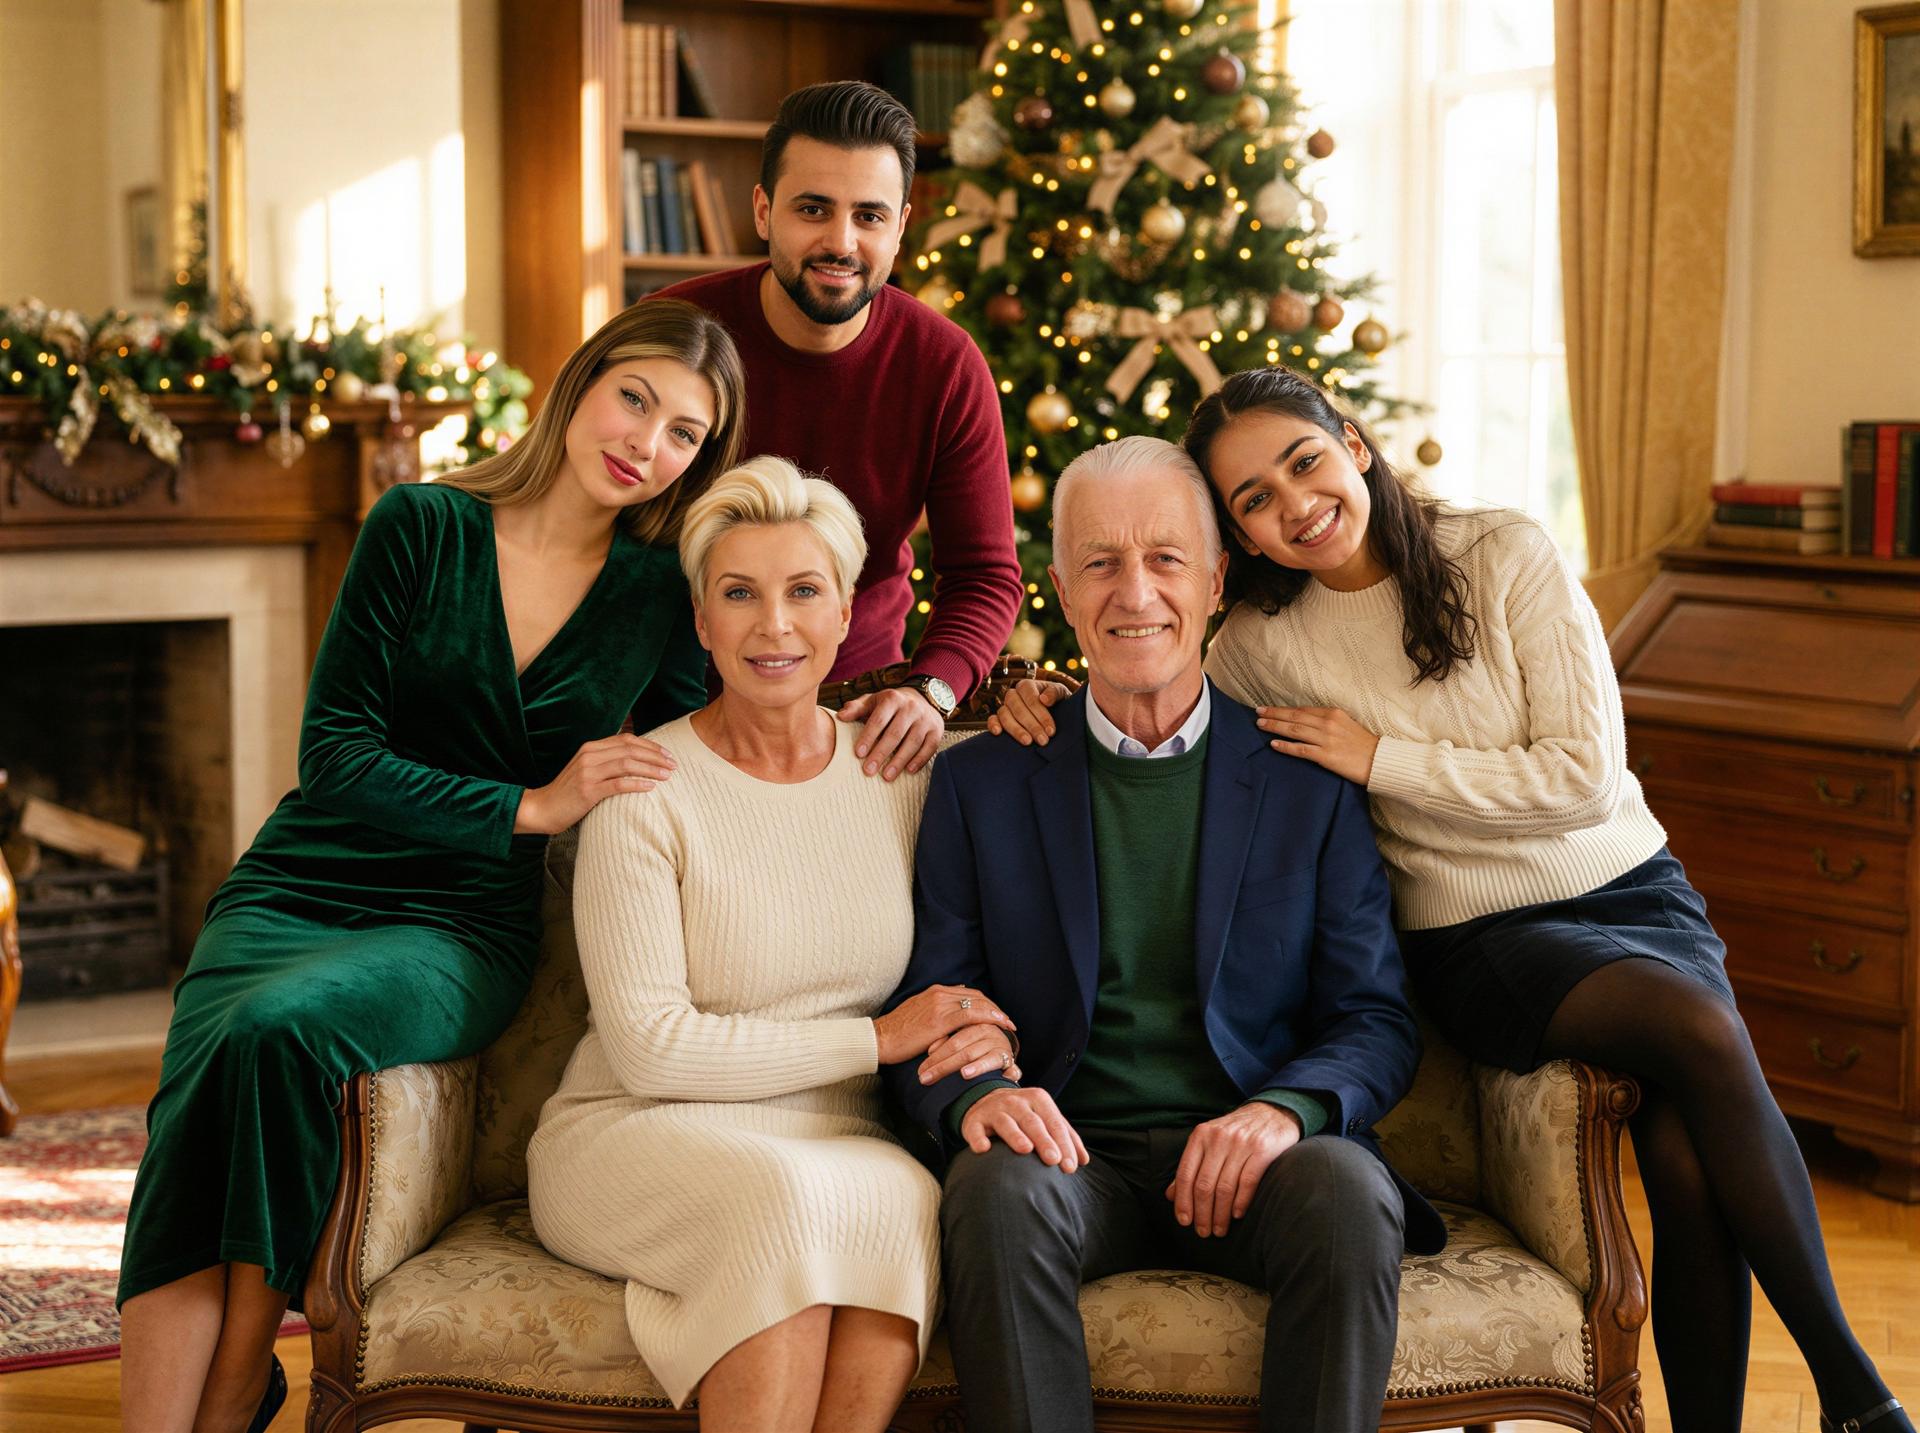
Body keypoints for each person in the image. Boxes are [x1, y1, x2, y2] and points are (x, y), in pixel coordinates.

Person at [995, 368, 1913, 1433]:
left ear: (1354, 440)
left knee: (1684, 1153)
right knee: (1702, 1028)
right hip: (1478, 935)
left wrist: (1384, 757)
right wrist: (1044, 693)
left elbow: (1582, 776)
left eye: (1303, 460)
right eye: (1252, 499)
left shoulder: (1504, 551)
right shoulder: (1255, 646)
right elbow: (1155, 687)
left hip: (1634, 888)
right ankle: (1858, 1391)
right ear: (1237, 535)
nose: (1294, 504)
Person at [116, 299, 747, 1433]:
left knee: (275, 1033)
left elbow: (718, 739)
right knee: (210, 1077)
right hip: (298, 883)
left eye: (684, 434)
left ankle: (232, 1383)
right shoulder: (420, 522)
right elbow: (335, 755)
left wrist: (900, 704)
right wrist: (534, 802)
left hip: (458, 926)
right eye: (634, 399)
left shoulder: (658, 598)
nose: (646, 443)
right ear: (581, 384)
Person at [882, 436, 1445, 1433]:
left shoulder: (1308, 780)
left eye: (1166, 558)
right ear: (1059, 585)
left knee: (1349, 1188)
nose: (1133, 590)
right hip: (1068, 1156)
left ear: (1219, 579)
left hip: (1256, 1155)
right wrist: (977, 1086)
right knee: (992, 1190)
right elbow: (930, 1004)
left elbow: (1373, 1015)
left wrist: (1283, 1110)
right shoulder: (980, 783)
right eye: (1100, 561)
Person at [526, 457, 1018, 1433]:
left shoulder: (901, 772)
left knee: (897, 1200)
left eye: (804, 591)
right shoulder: (647, 790)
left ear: (847, 612)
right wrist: (876, 1038)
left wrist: (1034, 708)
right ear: (703, 623)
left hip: (842, 1133)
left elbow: (1052, 790)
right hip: (638, 1126)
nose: (774, 624)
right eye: (739, 594)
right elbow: (651, 1047)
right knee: (780, 1200)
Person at [653, 79, 1022, 784]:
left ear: (901, 226)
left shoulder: (946, 365)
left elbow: (984, 574)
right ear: (764, 210)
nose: (841, 242)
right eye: (813, 209)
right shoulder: (673, 331)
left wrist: (931, 691)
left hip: (852, 712)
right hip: (666, 701)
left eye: (869, 216)